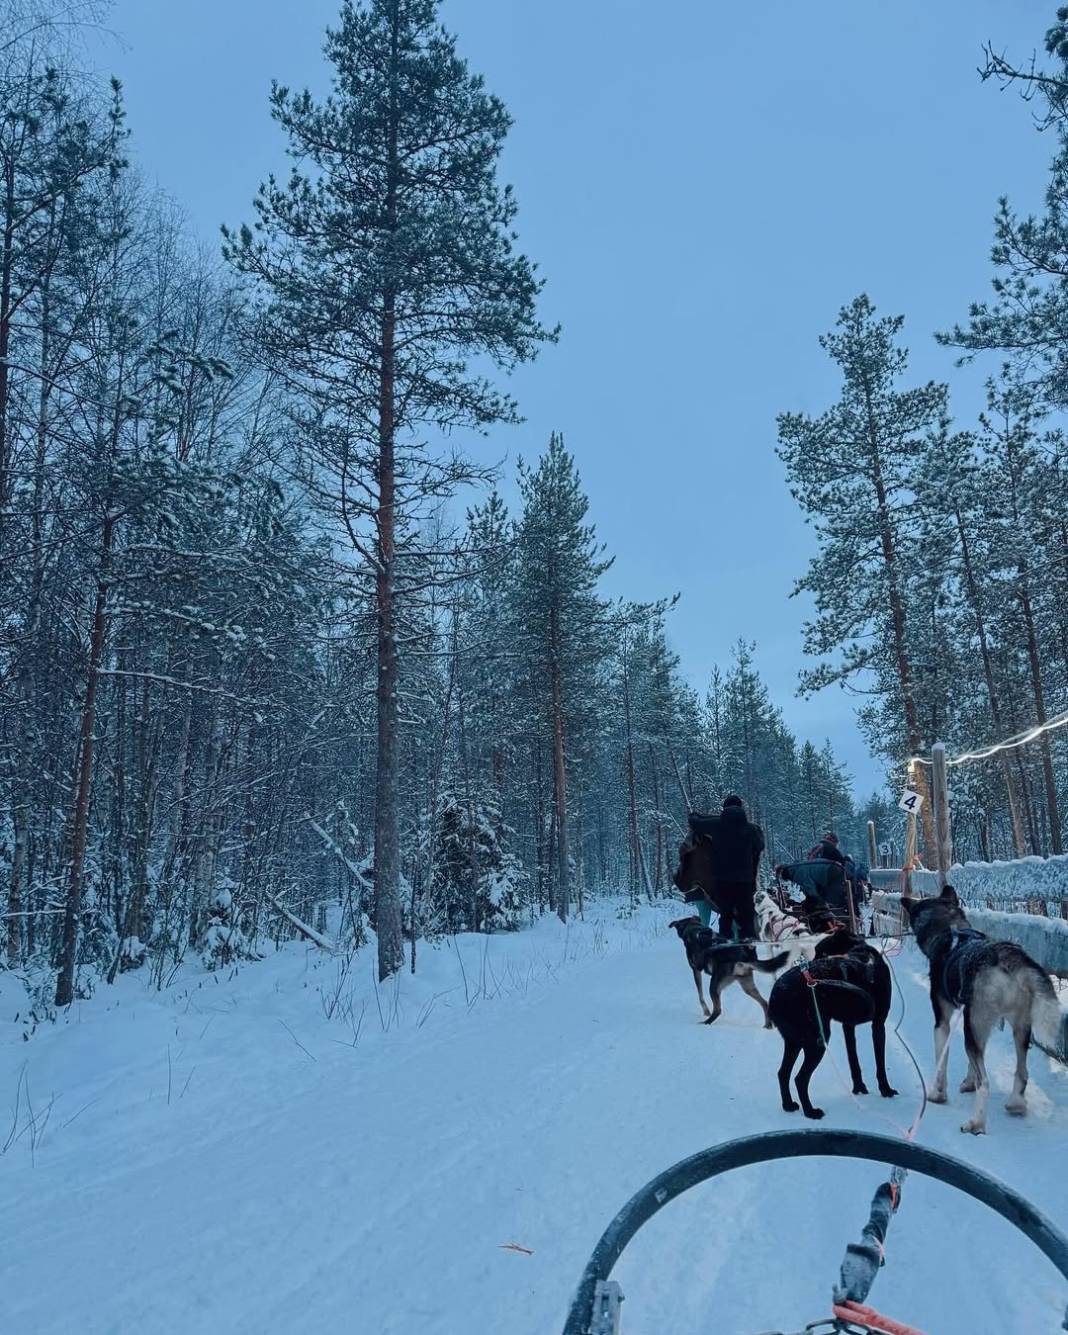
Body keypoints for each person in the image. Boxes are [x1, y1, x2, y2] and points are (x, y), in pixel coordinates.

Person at [703, 795, 764, 940]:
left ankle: (726, 944)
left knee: (726, 914)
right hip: (745, 880)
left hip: (722, 880)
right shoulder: (751, 829)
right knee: (746, 914)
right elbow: (760, 846)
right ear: (741, 808)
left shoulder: (716, 826)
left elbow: (695, 821)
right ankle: (748, 945)